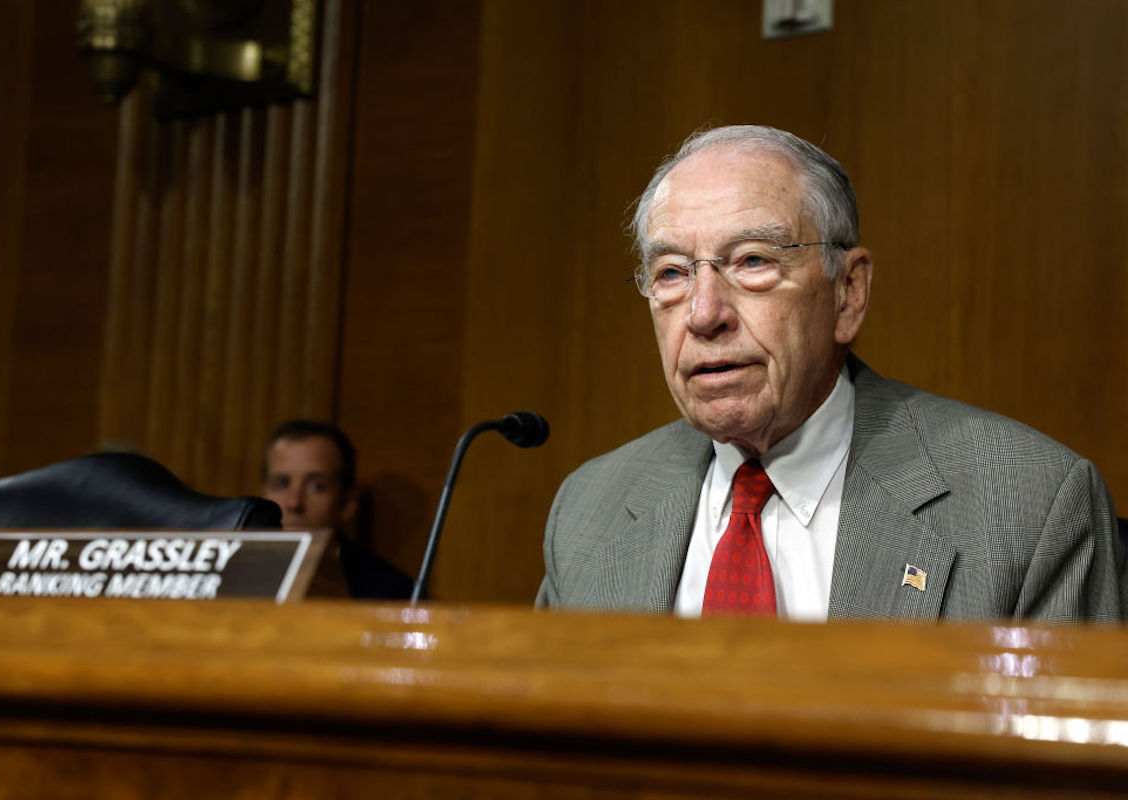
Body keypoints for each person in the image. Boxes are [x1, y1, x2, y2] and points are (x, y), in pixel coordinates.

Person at [537, 125, 1125, 621]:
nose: (703, 313)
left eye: (752, 262)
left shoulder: (1027, 502)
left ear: (848, 292)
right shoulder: (591, 509)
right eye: (671, 272)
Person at [262, 420, 413, 600]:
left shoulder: (396, 595)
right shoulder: (230, 576)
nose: (295, 503)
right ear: (263, 495)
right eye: (282, 483)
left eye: (317, 486)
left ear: (347, 503)